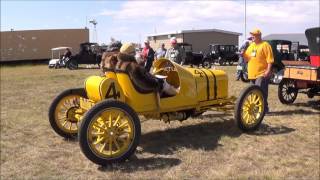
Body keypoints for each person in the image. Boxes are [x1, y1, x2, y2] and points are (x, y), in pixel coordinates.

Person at [243, 28, 274, 113]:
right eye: (251, 35)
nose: (252, 36)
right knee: (252, 93)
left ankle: (264, 109)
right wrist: (243, 54)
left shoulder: (265, 45)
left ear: (259, 36)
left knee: (261, 91)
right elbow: (247, 59)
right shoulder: (251, 46)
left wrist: (268, 70)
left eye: (254, 35)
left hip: (262, 73)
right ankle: (257, 108)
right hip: (252, 74)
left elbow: (270, 59)